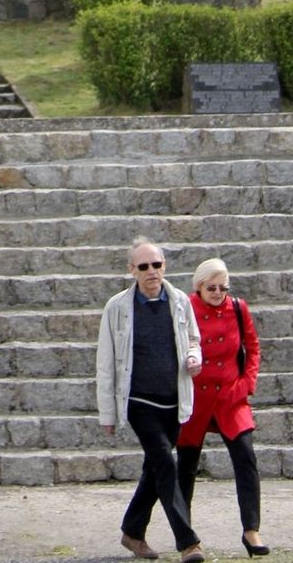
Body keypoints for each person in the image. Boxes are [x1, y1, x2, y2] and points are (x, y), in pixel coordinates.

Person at [96, 237, 205, 563]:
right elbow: (106, 362)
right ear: (132, 270)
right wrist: (108, 414)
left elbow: (194, 339)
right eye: (143, 266)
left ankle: (132, 532)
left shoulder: (181, 301)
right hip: (140, 402)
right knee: (166, 465)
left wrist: (194, 356)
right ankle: (188, 542)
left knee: (154, 469)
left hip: (174, 400)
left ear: (164, 266)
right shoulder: (117, 308)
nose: (151, 272)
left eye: (156, 265)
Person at [177, 259, 268, 558]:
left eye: (223, 288)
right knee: (185, 467)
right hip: (196, 398)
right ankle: (187, 540)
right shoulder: (184, 308)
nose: (218, 293)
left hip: (231, 396)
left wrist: (247, 384)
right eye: (211, 288)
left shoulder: (238, 308)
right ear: (198, 287)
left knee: (246, 457)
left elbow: (253, 348)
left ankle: (251, 530)